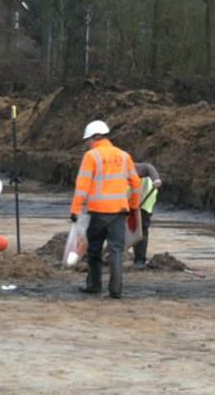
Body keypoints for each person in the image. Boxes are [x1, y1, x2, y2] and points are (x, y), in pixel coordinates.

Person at [70, 120, 141, 299]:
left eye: (88, 140)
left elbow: (82, 185)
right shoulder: (124, 156)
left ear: (96, 137)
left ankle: (94, 285)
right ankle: (116, 290)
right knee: (116, 250)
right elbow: (136, 183)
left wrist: (75, 210)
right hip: (119, 212)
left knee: (94, 249)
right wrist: (133, 206)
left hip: (99, 211)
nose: (87, 143)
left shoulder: (91, 156)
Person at [132, 162, 163, 268]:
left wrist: (156, 179)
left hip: (145, 198)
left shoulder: (128, 167)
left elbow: (148, 167)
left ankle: (140, 260)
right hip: (130, 199)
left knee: (140, 228)